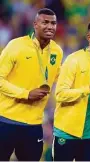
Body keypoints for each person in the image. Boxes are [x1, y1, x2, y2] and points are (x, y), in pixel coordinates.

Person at [0, 8, 63, 161]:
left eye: (53, 23)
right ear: (35, 24)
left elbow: (61, 78)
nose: (50, 26)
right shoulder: (16, 46)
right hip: (6, 121)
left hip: (34, 125)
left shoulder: (57, 51)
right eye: (45, 22)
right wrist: (26, 94)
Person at [53, 20, 90, 161]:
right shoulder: (74, 60)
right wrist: (87, 89)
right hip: (66, 132)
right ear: (89, 38)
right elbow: (60, 94)